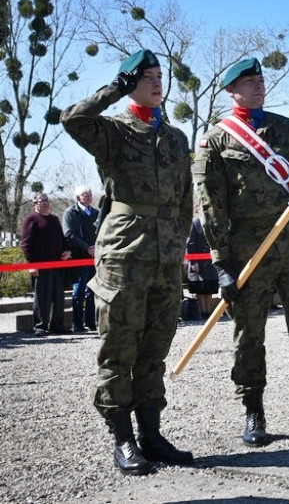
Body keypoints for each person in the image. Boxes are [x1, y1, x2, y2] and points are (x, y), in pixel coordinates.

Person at [194, 57, 289, 447]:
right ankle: (253, 411)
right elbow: (212, 206)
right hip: (250, 249)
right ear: (232, 91)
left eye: (260, 80)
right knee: (249, 335)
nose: (258, 86)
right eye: (248, 82)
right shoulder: (217, 140)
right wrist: (221, 263)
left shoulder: (285, 128)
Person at [61, 49, 194, 475]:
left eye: (160, 75)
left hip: (165, 256)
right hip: (125, 253)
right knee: (118, 349)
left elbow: (185, 197)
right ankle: (123, 439)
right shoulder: (114, 130)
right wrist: (115, 88)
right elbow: (72, 119)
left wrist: (180, 248)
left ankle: (152, 435)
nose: (157, 82)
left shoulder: (175, 137)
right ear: (129, 82)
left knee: (155, 350)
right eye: (147, 77)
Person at [21, 193, 71, 336]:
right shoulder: (31, 220)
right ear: (35, 203)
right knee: (42, 297)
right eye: (42, 201)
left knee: (58, 298)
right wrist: (31, 264)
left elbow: (62, 239)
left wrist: (67, 251)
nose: (46, 203)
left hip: (57, 265)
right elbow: (25, 244)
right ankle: (40, 327)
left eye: (47, 200)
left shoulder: (54, 219)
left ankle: (57, 327)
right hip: (40, 266)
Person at [62, 185, 98, 332]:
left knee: (93, 291)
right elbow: (69, 234)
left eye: (90, 194)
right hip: (79, 258)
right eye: (85, 194)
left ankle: (91, 322)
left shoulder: (96, 213)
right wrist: (87, 248)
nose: (89, 196)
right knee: (79, 291)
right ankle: (77, 323)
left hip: (94, 258)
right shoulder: (70, 213)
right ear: (78, 198)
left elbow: (102, 230)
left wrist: (96, 248)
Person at [185, 203, 219, 319]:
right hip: (198, 261)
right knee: (200, 289)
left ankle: (209, 311)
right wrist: (193, 263)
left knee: (209, 287)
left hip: (210, 261)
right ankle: (203, 312)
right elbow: (190, 244)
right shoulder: (194, 222)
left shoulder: (211, 221)